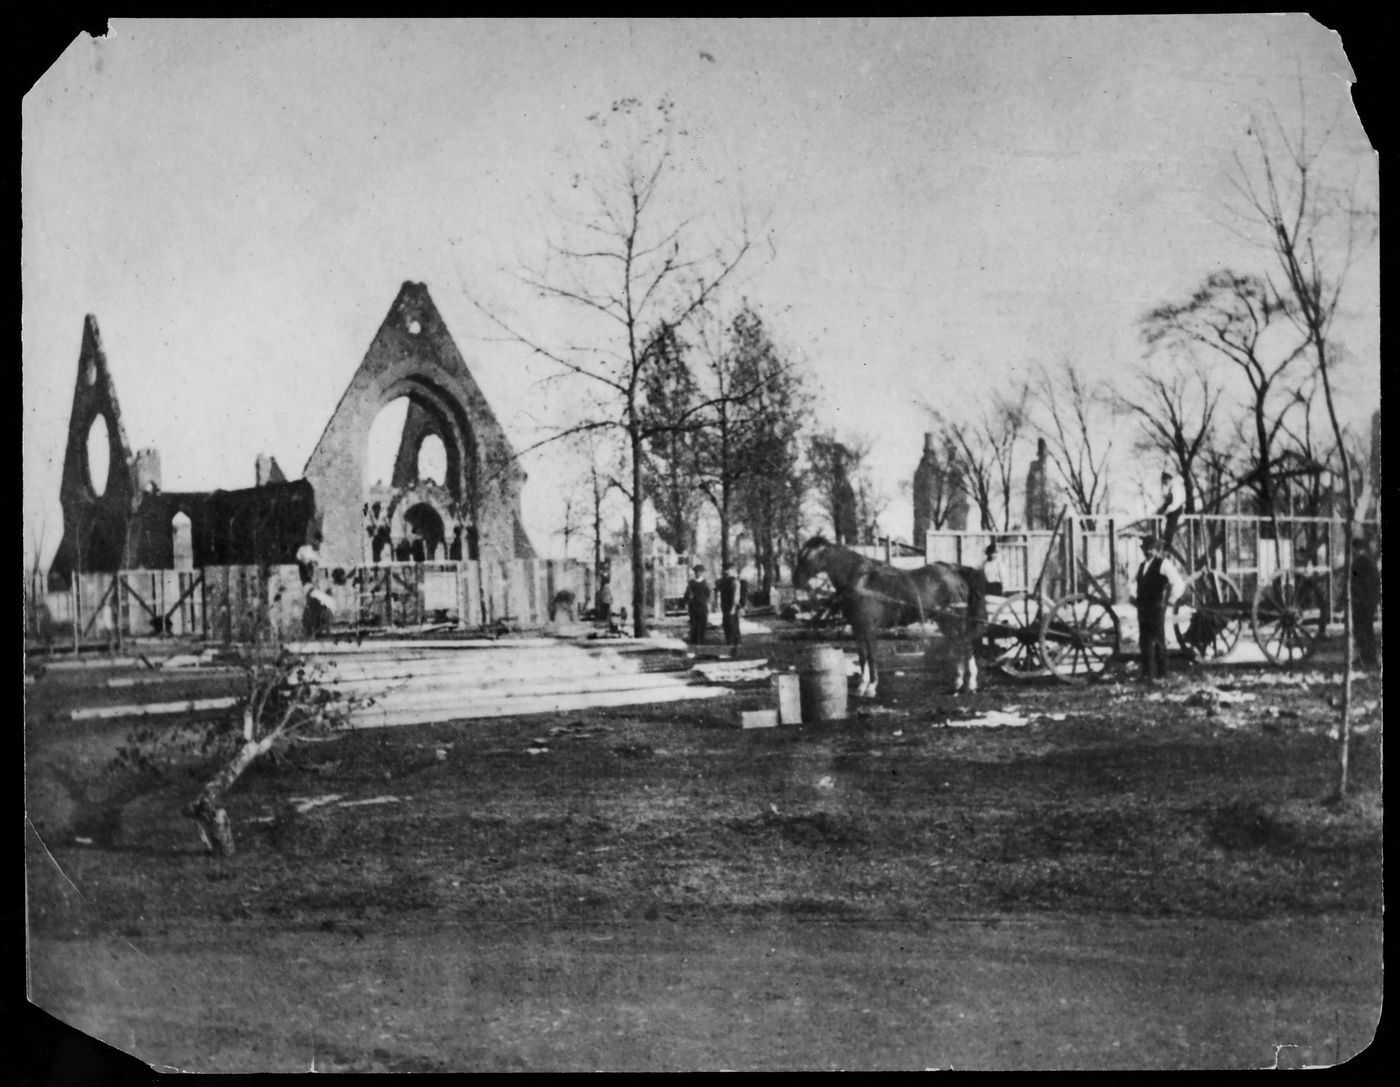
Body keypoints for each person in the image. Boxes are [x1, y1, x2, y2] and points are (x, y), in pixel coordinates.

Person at [1132, 535, 1186, 683]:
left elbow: (1179, 584)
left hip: (1156, 607)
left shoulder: (1164, 564)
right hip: (1142, 608)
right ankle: (1147, 674)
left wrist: (1170, 601)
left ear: (1156, 550)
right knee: (1144, 641)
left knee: (1158, 640)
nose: (1147, 551)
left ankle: (1162, 674)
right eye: (1145, 548)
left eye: (1150, 549)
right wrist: (1133, 597)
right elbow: (1134, 583)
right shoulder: (1142, 566)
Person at [1351, 537, 1380, 670]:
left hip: (1363, 602)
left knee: (1364, 629)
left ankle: (1368, 658)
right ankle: (1367, 657)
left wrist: (1361, 599)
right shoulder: (1368, 561)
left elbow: (1361, 584)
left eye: (1354, 550)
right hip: (1366, 601)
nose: (1353, 552)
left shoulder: (1361, 562)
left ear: (1357, 549)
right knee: (1365, 629)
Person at [717, 562, 748, 655]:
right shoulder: (723, 581)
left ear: (732, 570)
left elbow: (736, 596)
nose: (726, 571)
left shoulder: (734, 581)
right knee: (727, 627)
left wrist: (733, 608)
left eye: (728, 570)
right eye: (724, 570)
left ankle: (736, 650)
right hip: (725, 608)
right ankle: (729, 649)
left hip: (732, 608)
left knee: (733, 628)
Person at [681, 564, 712, 646]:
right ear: (694, 573)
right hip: (693, 605)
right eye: (696, 572)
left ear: (702, 573)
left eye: (699, 572)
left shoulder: (705, 582)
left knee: (702, 623)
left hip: (702, 605)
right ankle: (694, 641)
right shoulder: (691, 582)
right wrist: (686, 602)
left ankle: (701, 641)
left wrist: (708, 603)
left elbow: (708, 594)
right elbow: (687, 594)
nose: (698, 574)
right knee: (694, 623)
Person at [1156, 469, 1186, 550]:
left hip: (1175, 509)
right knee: (1164, 525)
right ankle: (1161, 539)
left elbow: (1176, 503)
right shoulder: (1173, 486)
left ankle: (1166, 546)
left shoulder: (1175, 486)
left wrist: (1167, 510)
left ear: (1168, 480)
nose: (1165, 485)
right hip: (1173, 509)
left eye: (1165, 482)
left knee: (1170, 528)